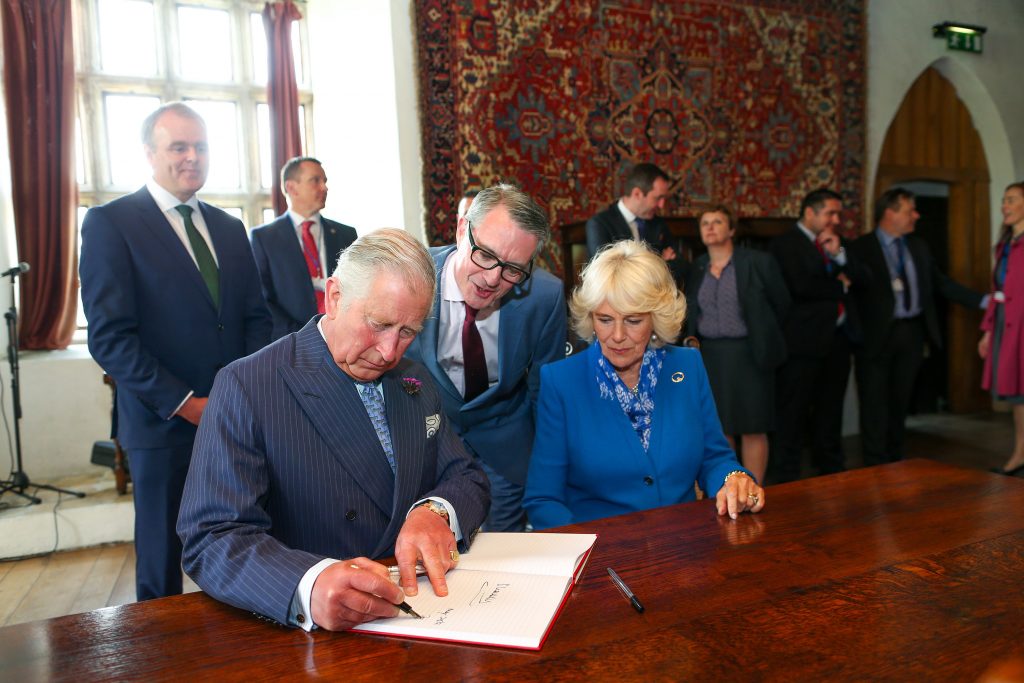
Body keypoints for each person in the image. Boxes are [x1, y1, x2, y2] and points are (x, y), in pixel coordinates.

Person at [177, 229, 491, 632]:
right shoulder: (249, 385)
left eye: (408, 332)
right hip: (305, 635)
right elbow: (212, 536)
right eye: (379, 324)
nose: (390, 352)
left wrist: (435, 513)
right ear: (334, 296)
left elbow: (466, 476)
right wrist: (306, 585)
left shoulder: (415, 380)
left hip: (422, 616)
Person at [79, 102, 272, 600]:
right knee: (161, 563)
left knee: (245, 541)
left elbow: (255, 319)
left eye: (200, 147)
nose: (192, 157)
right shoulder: (111, 223)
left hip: (234, 420)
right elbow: (110, 337)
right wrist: (186, 404)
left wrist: (239, 397)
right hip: (161, 423)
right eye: (178, 147)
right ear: (149, 153)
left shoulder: (230, 230)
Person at [524, 240, 765, 530]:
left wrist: (733, 479)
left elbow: (714, 458)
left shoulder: (687, 367)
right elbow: (543, 500)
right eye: (605, 319)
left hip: (687, 552)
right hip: (602, 555)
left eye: (633, 320)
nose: (617, 335)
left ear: (656, 318)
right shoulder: (561, 382)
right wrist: (589, 553)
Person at [404, 184, 567, 532]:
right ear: (463, 228)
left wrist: (548, 475)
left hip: (505, 454)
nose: (493, 278)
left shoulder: (543, 296)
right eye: (486, 255)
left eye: (513, 269)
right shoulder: (409, 276)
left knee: (504, 563)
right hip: (424, 451)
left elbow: (546, 392)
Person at [850, 187, 986, 467]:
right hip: (876, 337)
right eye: (910, 210)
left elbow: (942, 284)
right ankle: (874, 465)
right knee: (874, 403)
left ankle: (895, 460)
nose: (916, 215)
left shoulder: (918, 247)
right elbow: (850, 293)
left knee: (900, 402)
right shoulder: (860, 248)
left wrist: (984, 301)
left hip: (911, 333)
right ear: (890, 212)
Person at [684, 206, 790, 483]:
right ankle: (729, 487)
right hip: (711, 358)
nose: (710, 227)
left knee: (753, 426)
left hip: (750, 353)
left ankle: (754, 487)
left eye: (717, 221)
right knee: (721, 429)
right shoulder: (697, 267)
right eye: (705, 222)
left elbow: (782, 305)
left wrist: (765, 338)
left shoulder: (757, 262)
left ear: (731, 229)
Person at [770, 188, 866, 482]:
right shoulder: (784, 245)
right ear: (810, 212)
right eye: (830, 213)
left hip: (837, 341)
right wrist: (841, 286)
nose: (835, 220)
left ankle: (832, 473)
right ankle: (787, 478)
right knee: (793, 415)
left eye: (838, 214)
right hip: (801, 343)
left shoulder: (838, 244)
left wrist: (839, 256)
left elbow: (866, 280)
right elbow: (800, 286)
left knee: (831, 411)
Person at [251, 156, 358, 341]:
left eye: (324, 181)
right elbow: (262, 299)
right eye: (315, 180)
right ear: (291, 188)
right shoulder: (264, 238)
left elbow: (358, 288)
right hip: (289, 342)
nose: (324, 187)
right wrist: (304, 336)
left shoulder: (346, 234)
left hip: (342, 338)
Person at [980, 182, 1024, 476]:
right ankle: (1020, 453)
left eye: (1011, 200)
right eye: (1003, 200)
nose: (1004, 206)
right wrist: (986, 330)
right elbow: (997, 290)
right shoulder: (1004, 245)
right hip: (1005, 325)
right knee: (1017, 395)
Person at [585, 162, 688, 284]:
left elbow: (681, 267)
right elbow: (606, 274)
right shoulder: (599, 224)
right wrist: (660, 262)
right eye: (657, 198)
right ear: (637, 194)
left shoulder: (658, 224)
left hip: (656, 298)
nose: (662, 205)